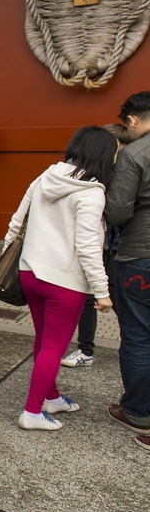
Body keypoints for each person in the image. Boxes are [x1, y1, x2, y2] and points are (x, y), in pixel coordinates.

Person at [6, 126, 115, 431]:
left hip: (30, 273)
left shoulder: (45, 177)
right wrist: (101, 291)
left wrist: (9, 259)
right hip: (64, 281)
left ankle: (51, 396)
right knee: (54, 346)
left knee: (43, 340)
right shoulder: (92, 192)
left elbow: (16, 222)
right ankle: (32, 412)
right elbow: (88, 247)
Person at [63, 123, 132, 368]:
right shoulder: (97, 172)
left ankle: (134, 346)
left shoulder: (127, 172)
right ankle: (85, 349)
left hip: (120, 247)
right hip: (100, 246)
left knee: (120, 300)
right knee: (89, 298)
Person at [104, 91, 150, 449]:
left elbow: (118, 211)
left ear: (132, 120)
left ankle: (137, 409)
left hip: (140, 255)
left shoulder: (135, 153)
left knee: (137, 335)